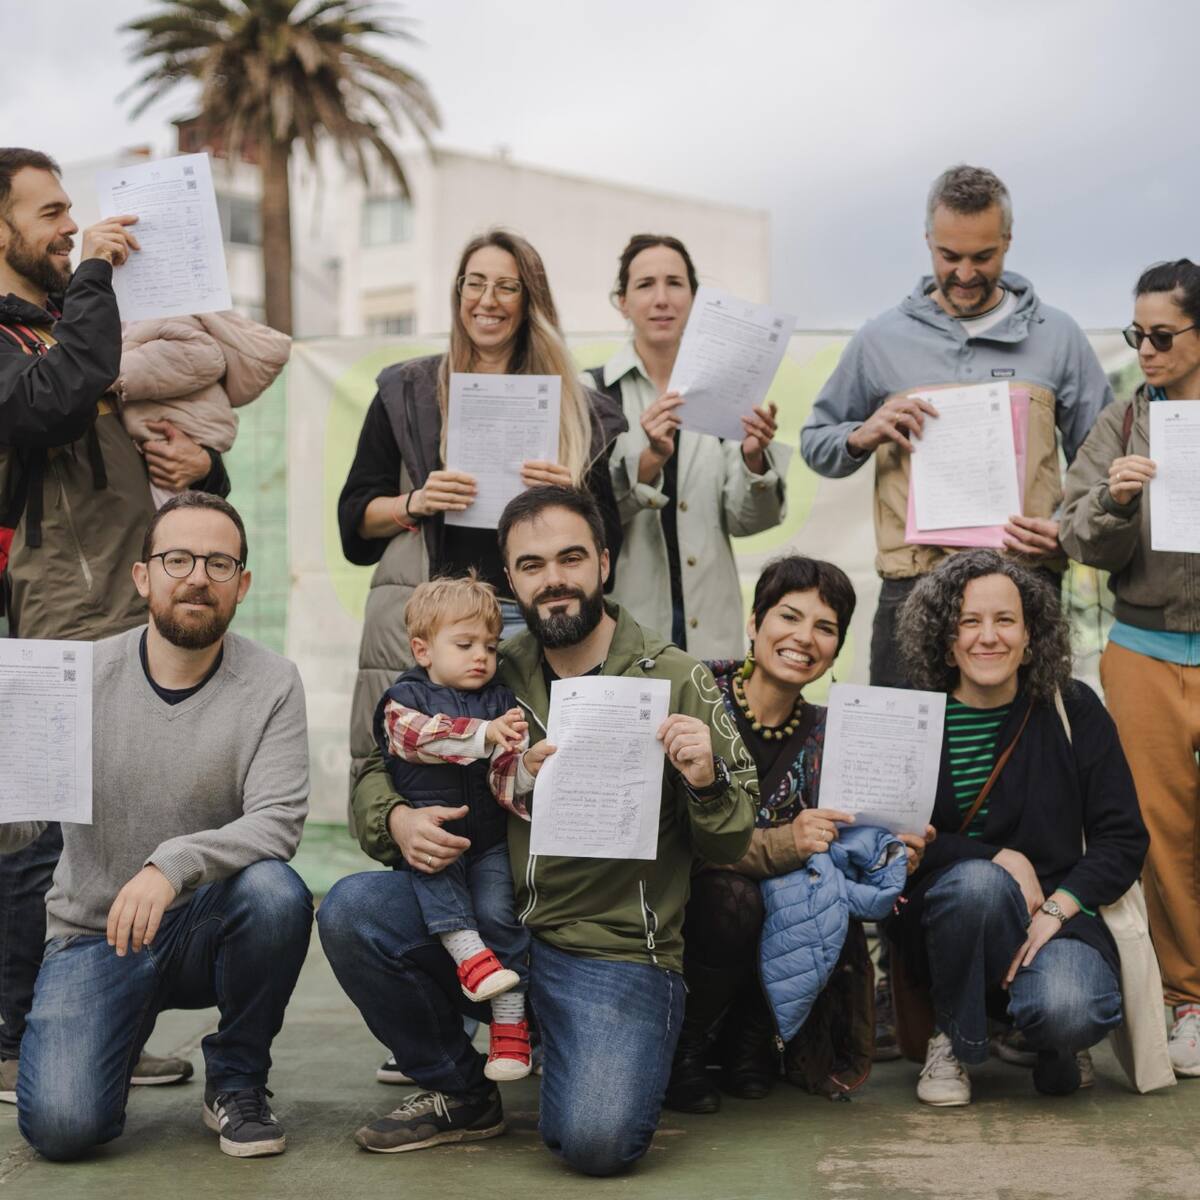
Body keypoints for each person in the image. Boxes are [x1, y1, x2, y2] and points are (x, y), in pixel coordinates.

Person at [317, 485, 756, 1175]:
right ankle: (463, 1091)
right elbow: (384, 758)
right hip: (494, 921)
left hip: (609, 948)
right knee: (351, 911)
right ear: (511, 580)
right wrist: (396, 819)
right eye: (531, 565)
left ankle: (585, 1041)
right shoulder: (487, 664)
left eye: (571, 558)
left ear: (604, 564)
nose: (553, 579)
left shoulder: (676, 676)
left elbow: (731, 842)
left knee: (597, 1142)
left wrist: (705, 779)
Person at [0, 147, 233, 1101]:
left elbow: (112, 444)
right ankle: (20, 1038)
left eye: (74, 209)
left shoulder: (59, 328)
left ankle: (90, 1026)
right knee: (40, 831)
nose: (69, 224)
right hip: (52, 613)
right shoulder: (33, 340)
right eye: (49, 211)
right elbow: (55, 403)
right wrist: (95, 268)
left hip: (114, 605)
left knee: (97, 827)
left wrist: (193, 473)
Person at [0, 492, 313, 1160]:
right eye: (177, 559)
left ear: (242, 584)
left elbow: (278, 821)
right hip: (93, 935)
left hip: (205, 924)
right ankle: (119, 1027)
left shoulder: (273, 683)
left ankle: (235, 1080)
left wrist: (170, 866)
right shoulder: (78, 678)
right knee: (62, 1129)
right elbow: (24, 826)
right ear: (143, 577)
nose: (198, 576)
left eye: (219, 563)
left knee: (276, 893)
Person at [800, 164, 1113, 689]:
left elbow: (1102, 456)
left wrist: (1067, 528)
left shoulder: (1058, 337)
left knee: (1024, 756)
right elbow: (816, 442)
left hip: (1025, 585)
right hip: (913, 588)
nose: (965, 272)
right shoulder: (881, 339)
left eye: (982, 256)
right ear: (928, 242)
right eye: (949, 256)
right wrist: (863, 433)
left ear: (1008, 241)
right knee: (904, 756)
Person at [338, 228, 626, 795]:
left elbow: (611, 539)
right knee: (420, 781)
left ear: (530, 301)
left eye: (506, 287)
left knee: (530, 782)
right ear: (457, 292)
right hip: (433, 618)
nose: (487, 300)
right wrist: (416, 502)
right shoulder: (407, 390)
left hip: (536, 622)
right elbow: (355, 523)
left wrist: (574, 494)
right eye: (475, 283)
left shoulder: (576, 405)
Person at [664, 555, 931, 1112]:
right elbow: (680, 842)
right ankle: (685, 1047)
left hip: (787, 923)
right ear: (755, 622)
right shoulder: (693, 698)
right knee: (732, 896)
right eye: (788, 617)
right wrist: (787, 841)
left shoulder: (836, 733)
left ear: (837, 647)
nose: (804, 638)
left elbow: (851, 851)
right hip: (684, 912)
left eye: (825, 628)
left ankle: (753, 1039)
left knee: (804, 890)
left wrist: (893, 850)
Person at [890, 550, 1148, 1106]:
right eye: (969, 621)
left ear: (1031, 635)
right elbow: (892, 841)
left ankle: (1050, 1039)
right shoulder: (914, 716)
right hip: (952, 920)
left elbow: (1122, 837)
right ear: (945, 637)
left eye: (1005, 620)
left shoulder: (1073, 709)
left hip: (1061, 918)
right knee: (979, 883)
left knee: (1069, 1008)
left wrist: (1059, 908)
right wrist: (1001, 857)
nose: (989, 637)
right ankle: (955, 1036)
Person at [1059, 258, 1200, 1077]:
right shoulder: (1118, 424)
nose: (1144, 349)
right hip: (1142, 650)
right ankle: (1186, 1002)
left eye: (1161, 335)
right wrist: (1115, 501)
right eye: (1134, 334)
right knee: (1162, 833)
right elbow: (1077, 539)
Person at [599, 233, 787, 658]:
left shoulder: (731, 393)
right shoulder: (596, 392)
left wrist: (754, 458)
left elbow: (748, 521)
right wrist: (650, 460)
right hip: (625, 630)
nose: (661, 298)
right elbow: (587, 517)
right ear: (622, 301)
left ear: (696, 297)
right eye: (645, 285)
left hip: (712, 630)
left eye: (675, 283)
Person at [374, 574, 532, 1081]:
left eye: (490, 645)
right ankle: (468, 957)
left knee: (500, 914)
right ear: (423, 649)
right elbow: (418, 740)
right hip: (434, 834)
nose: (480, 657)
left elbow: (504, 779)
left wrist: (529, 766)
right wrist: (485, 734)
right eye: (463, 645)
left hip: (487, 840)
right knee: (441, 890)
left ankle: (510, 1032)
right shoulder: (405, 698)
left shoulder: (499, 700)